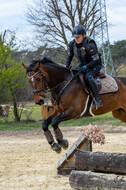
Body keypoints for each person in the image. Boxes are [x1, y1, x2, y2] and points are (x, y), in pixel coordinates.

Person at [66, 25, 103, 109]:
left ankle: (98, 100)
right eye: (75, 37)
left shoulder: (90, 44)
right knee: (73, 75)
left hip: (95, 64)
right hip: (83, 64)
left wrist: (85, 67)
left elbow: (96, 60)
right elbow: (69, 56)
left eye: (78, 37)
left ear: (84, 35)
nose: (76, 39)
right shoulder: (72, 44)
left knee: (88, 77)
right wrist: (66, 67)